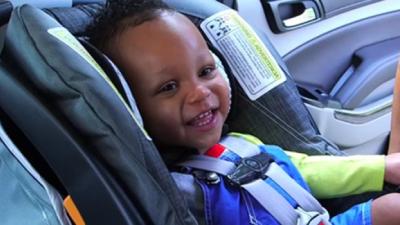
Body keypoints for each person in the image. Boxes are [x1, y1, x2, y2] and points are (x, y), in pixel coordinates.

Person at [87, 0, 400, 224]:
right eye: (169, 87)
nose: (199, 92)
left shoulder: (242, 143)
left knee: (392, 207)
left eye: (206, 70)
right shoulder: (176, 192)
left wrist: (381, 168)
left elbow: (302, 170)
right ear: (132, 109)